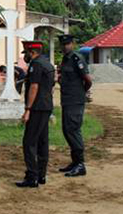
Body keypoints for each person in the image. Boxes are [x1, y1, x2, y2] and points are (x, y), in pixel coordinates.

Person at [16, 41, 55, 188]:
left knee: (29, 142)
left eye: (25, 53)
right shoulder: (48, 64)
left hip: (37, 108)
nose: (25, 56)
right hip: (46, 106)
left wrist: (28, 109)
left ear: (32, 52)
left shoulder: (36, 64)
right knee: (42, 141)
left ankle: (32, 177)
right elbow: (51, 86)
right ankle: (41, 175)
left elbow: (34, 86)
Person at [58, 34, 93, 178]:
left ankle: (80, 164)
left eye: (68, 44)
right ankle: (74, 162)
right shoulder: (65, 59)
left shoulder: (77, 58)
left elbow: (88, 80)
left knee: (73, 130)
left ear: (72, 44)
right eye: (63, 44)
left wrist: (81, 93)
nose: (65, 46)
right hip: (66, 100)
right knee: (67, 130)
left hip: (75, 101)